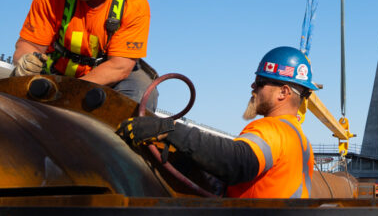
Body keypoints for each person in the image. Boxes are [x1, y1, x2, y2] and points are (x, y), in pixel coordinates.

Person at [117, 46, 316, 198]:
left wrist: (169, 129)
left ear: (284, 92)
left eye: (261, 82)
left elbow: (238, 161)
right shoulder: (301, 140)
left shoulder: (274, 129)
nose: (253, 86)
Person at [11, 0, 157, 110]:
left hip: (104, 79)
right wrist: (24, 60)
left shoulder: (133, 5)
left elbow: (119, 67)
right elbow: (28, 44)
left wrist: (69, 93)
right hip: (55, 71)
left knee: (142, 92)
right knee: (15, 87)